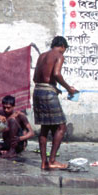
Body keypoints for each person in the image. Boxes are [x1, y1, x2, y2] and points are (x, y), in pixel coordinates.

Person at [33, 36, 77, 170]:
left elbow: (36, 78)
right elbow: (57, 74)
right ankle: (52, 160)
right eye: (64, 49)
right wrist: (68, 88)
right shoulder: (58, 55)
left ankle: (43, 162)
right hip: (47, 93)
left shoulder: (42, 56)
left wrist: (55, 87)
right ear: (62, 46)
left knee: (44, 128)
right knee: (61, 127)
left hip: (38, 91)